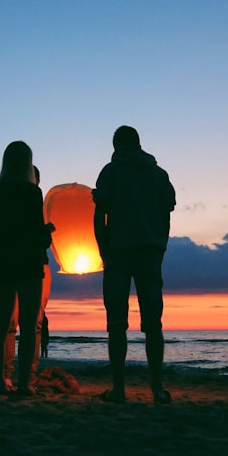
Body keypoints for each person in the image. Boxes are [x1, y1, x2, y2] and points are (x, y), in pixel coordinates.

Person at [93, 126, 176, 404]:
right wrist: (160, 245)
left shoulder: (111, 171)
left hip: (118, 253)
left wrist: (104, 251)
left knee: (116, 323)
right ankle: (157, 389)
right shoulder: (158, 174)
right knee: (153, 323)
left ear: (117, 145)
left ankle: (119, 389)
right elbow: (166, 214)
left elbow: (99, 215)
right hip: (150, 253)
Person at [0, 141, 53, 397]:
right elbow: (37, 235)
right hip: (30, 265)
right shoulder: (32, 193)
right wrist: (48, 233)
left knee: (1, 324)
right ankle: (25, 384)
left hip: (1, 265)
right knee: (28, 324)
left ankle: (0, 382)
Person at [3, 165, 52, 389]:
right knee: (19, 323)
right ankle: (17, 377)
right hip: (25, 265)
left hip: (30, 264)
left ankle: (21, 377)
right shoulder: (10, 200)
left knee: (25, 323)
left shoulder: (1, 198)